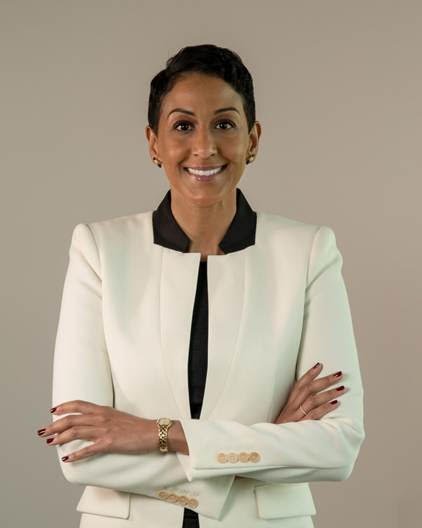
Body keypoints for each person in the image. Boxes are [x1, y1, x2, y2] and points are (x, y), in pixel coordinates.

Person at [37, 44, 365, 528]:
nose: (205, 147)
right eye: (183, 126)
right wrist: (269, 442)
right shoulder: (100, 250)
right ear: (154, 143)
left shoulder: (308, 252)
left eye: (225, 124)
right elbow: (81, 451)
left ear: (253, 139)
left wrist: (159, 433)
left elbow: (337, 447)